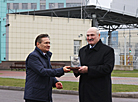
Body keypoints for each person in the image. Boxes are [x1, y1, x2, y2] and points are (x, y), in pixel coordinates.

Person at [24, 34, 71, 102]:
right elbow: (42, 72)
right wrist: (62, 70)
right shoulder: (33, 56)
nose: (48, 45)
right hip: (35, 96)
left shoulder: (46, 56)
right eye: (46, 43)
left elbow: (48, 72)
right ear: (38, 44)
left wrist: (55, 82)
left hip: (45, 95)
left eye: (49, 43)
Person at [73, 27, 115, 102]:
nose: (90, 38)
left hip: (100, 91)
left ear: (99, 36)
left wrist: (88, 70)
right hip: (85, 90)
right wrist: (76, 71)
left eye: (92, 35)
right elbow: (80, 66)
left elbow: (107, 68)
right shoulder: (82, 51)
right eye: (88, 36)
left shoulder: (107, 51)